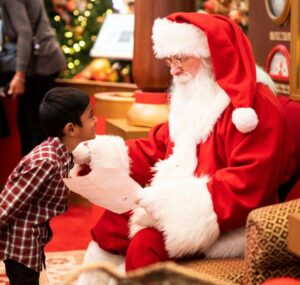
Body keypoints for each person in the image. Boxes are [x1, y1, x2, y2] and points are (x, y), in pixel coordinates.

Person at [74, 12, 295, 284]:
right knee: (113, 223)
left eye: (180, 59)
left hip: (229, 221)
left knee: (146, 243)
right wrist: (100, 154)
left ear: (211, 56)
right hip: (179, 200)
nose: (173, 70)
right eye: (169, 60)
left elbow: (249, 183)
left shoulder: (253, 109)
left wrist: (171, 207)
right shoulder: (197, 96)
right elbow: (158, 147)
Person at [0, 87, 97, 285]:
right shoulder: (46, 161)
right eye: (91, 116)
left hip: (34, 240)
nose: (95, 121)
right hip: (21, 245)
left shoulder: (62, 151)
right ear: (71, 129)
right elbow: (8, 204)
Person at [0, 0, 66, 156]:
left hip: (40, 63)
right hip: (42, 59)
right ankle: (33, 170)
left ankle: (38, 172)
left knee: (33, 124)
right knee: (27, 122)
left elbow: (25, 33)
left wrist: (19, 75)